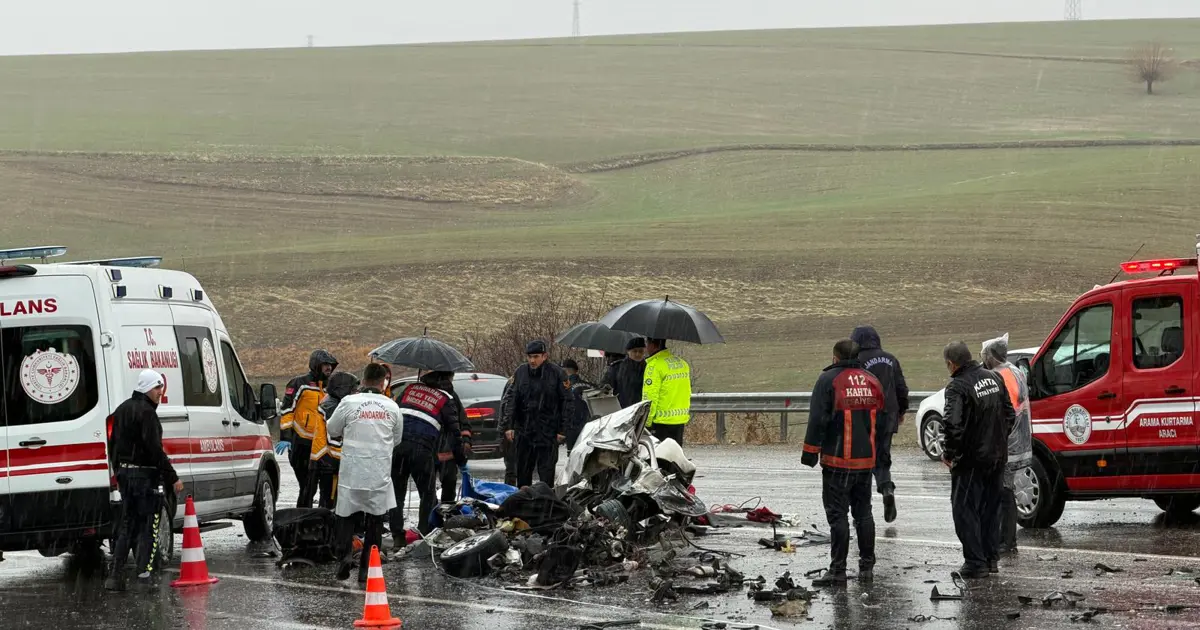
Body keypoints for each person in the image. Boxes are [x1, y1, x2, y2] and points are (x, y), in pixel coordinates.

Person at [801, 340, 885, 585]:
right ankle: (867, 568)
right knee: (864, 515)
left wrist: (810, 453)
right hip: (865, 460)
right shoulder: (872, 380)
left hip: (838, 461)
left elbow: (817, 418)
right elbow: (882, 418)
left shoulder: (829, 380)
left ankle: (837, 571)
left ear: (835, 357)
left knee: (838, 516)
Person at [942, 341, 1016, 579]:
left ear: (952, 364)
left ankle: (975, 562)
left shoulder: (957, 386)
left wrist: (950, 453)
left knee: (965, 510)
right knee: (990, 509)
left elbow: (952, 425)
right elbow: (1009, 414)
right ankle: (991, 558)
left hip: (971, 460)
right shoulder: (993, 378)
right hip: (996, 456)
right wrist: (998, 440)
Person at [105, 370, 184, 591]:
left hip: (126, 476)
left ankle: (115, 575)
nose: (161, 392)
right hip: (145, 477)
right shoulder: (147, 413)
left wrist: (119, 471)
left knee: (127, 525)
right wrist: (172, 477)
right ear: (147, 388)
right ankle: (143, 575)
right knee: (150, 526)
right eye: (157, 388)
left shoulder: (121, 410)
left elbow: (112, 446)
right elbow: (154, 449)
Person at [327, 363, 404, 583]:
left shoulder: (348, 402)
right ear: (383, 383)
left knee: (346, 516)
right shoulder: (392, 407)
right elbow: (397, 439)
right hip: (378, 472)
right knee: (375, 521)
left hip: (352, 470)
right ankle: (366, 569)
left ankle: (344, 555)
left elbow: (332, 429)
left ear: (363, 380)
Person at [390, 371, 467, 550]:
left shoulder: (409, 389)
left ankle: (397, 536)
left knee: (396, 494)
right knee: (427, 494)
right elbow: (455, 434)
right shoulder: (445, 398)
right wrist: (461, 460)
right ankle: (424, 536)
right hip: (422, 449)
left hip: (398, 446)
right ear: (445, 380)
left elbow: (394, 413)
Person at [850, 326, 909, 524]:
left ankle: (862, 509)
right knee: (882, 457)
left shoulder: (856, 361)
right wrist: (901, 411)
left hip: (864, 415)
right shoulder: (890, 359)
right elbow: (901, 387)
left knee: (863, 459)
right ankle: (887, 488)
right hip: (889, 413)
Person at [980, 334, 1032, 555]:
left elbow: (1005, 408)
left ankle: (1006, 540)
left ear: (992, 356)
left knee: (1003, 492)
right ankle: (1006, 540)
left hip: (1007, 441)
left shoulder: (1000, 375)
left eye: (984, 355)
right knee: (1005, 490)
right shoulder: (1016, 371)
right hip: (1019, 439)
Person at [500, 340, 573, 487]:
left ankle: (545, 505)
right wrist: (509, 426)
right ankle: (523, 505)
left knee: (546, 474)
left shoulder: (557, 374)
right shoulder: (521, 372)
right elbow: (511, 400)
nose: (532, 360)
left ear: (544, 356)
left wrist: (563, 430)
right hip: (524, 430)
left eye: (536, 356)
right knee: (523, 472)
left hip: (548, 431)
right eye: (530, 357)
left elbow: (568, 402)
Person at [277, 349, 339, 507]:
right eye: (326, 365)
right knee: (307, 487)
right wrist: (286, 437)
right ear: (316, 364)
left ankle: (323, 523)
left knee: (326, 488)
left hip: (322, 444)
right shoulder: (299, 383)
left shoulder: (332, 387)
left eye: (331, 365)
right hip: (301, 443)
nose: (329, 368)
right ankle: (302, 521)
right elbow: (287, 410)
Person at [310, 371, 359, 509]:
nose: (355, 393)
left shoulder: (330, 400)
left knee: (327, 497)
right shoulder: (332, 406)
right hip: (329, 459)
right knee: (330, 499)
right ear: (342, 389)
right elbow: (334, 438)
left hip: (324, 457)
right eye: (353, 390)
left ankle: (327, 524)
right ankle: (330, 527)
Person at [642, 338, 691, 445]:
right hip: (679, 420)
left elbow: (650, 397)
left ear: (654, 345)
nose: (646, 347)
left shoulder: (654, 366)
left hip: (661, 423)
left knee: (660, 459)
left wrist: (646, 421)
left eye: (647, 344)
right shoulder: (682, 364)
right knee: (675, 458)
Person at [436, 384, 473, 506]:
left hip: (440, 449)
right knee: (446, 483)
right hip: (440, 449)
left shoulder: (451, 395)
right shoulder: (449, 395)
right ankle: (440, 513)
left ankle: (440, 513)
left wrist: (466, 439)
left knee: (445, 484)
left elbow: (461, 420)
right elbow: (459, 422)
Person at [561, 358, 595, 452]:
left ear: (565, 371)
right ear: (576, 371)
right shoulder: (590, 385)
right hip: (590, 427)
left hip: (572, 427)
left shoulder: (564, 387)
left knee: (573, 455)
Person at [605, 338, 646, 408]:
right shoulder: (617, 368)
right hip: (621, 409)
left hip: (641, 408)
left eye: (640, 351)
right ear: (628, 352)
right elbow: (605, 386)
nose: (637, 354)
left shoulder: (648, 368)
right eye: (634, 351)